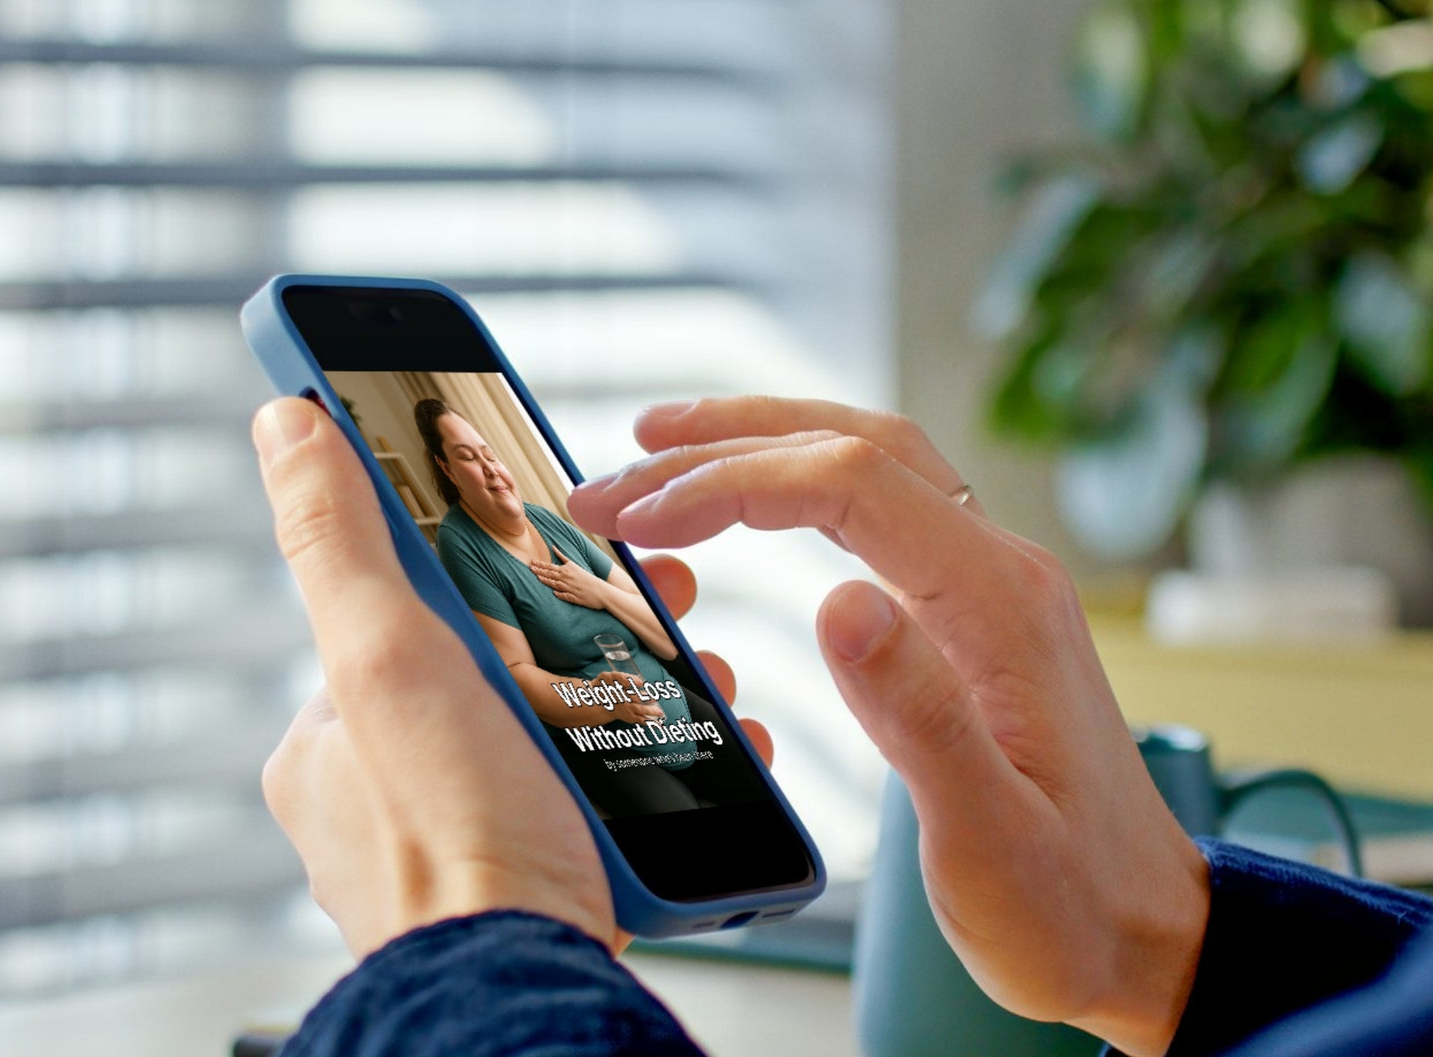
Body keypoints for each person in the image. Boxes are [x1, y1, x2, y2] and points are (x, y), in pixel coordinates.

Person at [251, 394, 1433, 1057]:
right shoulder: (474, 552)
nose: (485, 466)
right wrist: (1173, 937)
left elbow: (656, 648)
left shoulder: (561, 544)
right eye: (458, 455)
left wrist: (470, 943)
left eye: (479, 442)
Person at [413, 398, 753, 814]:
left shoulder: (548, 521)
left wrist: (600, 591)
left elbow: (660, 629)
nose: (489, 468)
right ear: (446, 470)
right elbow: (518, 674)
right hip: (595, 728)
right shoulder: (461, 544)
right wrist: (600, 702)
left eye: (490, 454)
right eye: (466, 457)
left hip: (665, 692)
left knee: (753, 788)